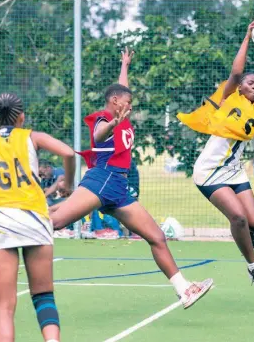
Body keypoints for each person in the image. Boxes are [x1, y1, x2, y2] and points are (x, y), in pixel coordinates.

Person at [50, 47, 213, 308]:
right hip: (103, 179)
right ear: (115, 102)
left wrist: (125, 64)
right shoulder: (106, 118)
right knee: (57, 222)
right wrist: (114, 123)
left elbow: (122, 87)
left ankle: (184, 290)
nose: (131, 106)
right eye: (127, 102)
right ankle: (1, 226)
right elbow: (98, 136)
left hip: (119, 188)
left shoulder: (121, 113)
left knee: (157, 236)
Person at [178, 19, 254, 288]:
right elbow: (236, 72)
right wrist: (248, 36)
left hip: (234, 170)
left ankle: (249, 232)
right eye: (251, 82)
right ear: (240, 86)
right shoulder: (229, 98)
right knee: (237, 217)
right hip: (210, 172)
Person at [0, 92, 75, 342]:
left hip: (1, 221)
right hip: (34, 217)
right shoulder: (32, 137)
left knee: (3, 305)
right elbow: (68, 153)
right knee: (43, 293)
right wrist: (67, 182)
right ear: (22, 117)